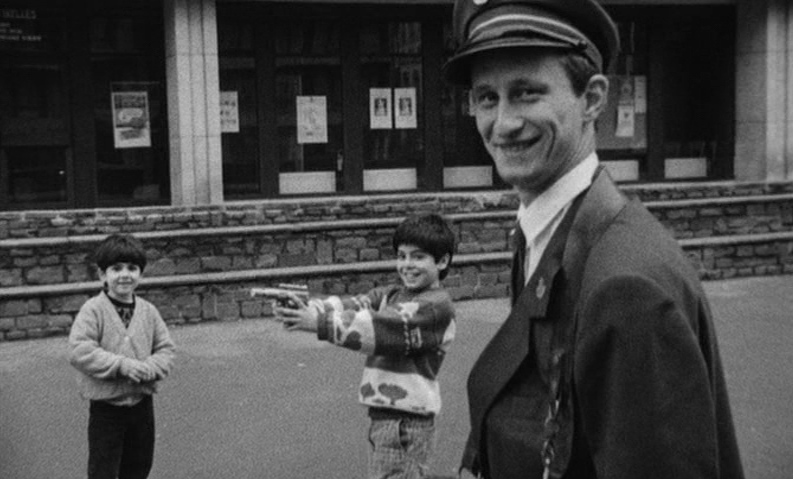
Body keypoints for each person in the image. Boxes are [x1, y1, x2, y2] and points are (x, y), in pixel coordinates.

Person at [442, 0, 745, 478]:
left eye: (526, 92)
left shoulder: (626, 288)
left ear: (594, 98)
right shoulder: (548, 230)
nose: (502, 123)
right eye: (486, 97)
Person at [275, 213, 456, 479]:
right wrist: (307, 307)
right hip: (387, 416)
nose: (407, 265)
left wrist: (317, 323)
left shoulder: (435, 307)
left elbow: (378, 328)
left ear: (442, 261)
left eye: (418, 257)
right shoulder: (394, 294)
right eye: (402, 256)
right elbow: (354, 304)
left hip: (406, 421)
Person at [68, 233, 175, 479]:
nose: (125, 275)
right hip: (107, 408)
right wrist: (121, 365)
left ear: (141, 274)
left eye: (132, 268)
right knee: (103, 469)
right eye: (116, 269)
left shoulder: (148, 311)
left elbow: (166, 349)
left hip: (141, 405)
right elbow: (79, 349)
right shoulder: (93, 310)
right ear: (102, 275)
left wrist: (152, 366)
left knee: (138, 466)